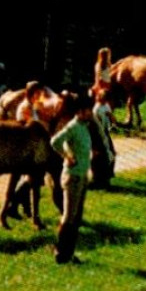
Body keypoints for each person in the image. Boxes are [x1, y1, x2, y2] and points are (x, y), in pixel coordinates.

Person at [50, 95, 95, 264]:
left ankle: (70, 253)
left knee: (76, 217)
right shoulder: (73, 127)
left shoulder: (84, 126)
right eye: (88, 110)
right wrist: (67, 156)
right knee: (69, 216)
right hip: (73, 177)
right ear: (80, 112)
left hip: (82, 176)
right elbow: (55, 142)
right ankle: (60, 252)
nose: (91, 113)